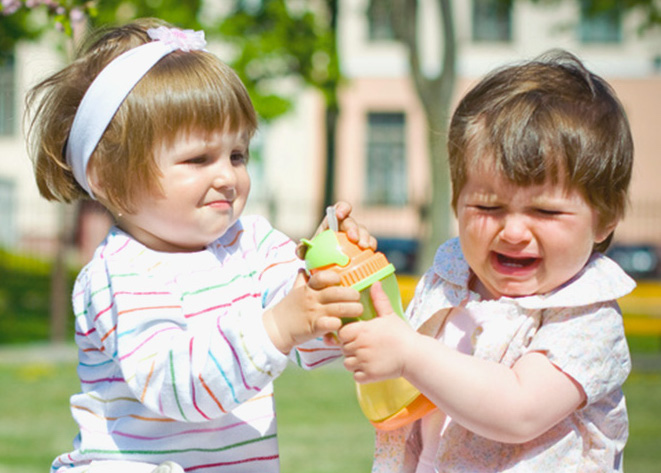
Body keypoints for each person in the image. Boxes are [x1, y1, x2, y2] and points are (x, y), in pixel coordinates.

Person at [26, 18, 372, 473]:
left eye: (237, 155)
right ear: (108, 178)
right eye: (198, 159)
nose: (227, 177)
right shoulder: (119, 274)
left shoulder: (255, 244)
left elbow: (315, 344)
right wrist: (281, 326)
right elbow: (177, 386)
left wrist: (337, 275)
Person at [338, 50, 635, 472]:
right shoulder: (449, 280)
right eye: (488, 207)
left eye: (545, 212)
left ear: (604, 218)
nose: (513, 232)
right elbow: (400, 386)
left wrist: (409, 353)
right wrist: (355, 301)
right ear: (457, 201)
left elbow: (519, 410)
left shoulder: (588, 317)